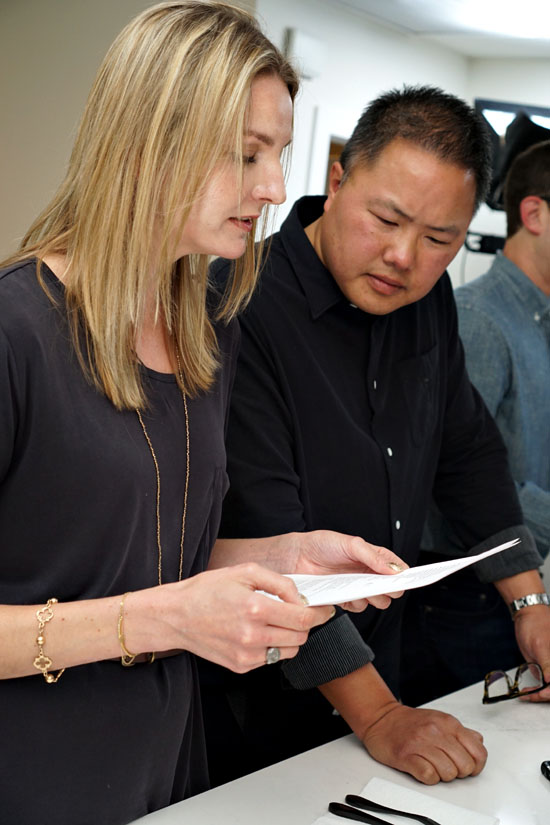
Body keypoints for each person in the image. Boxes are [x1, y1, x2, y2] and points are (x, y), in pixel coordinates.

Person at [0, 5, 407, 824]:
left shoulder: (203, 328)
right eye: (246, 154)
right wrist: (166, 618)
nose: (275, 187)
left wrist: (290, 556)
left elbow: (136, 547)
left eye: (280, 154)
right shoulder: (18, 332)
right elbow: (147, 599)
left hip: (166, 775)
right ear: (146, 142)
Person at [208, 85, 550, 788]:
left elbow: (469, 454)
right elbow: (274, 557)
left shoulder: (428, 306)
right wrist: (381, 716)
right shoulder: (239, 303)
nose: (403, 256)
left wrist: (530, 602)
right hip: (259, 709)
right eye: (386, 219)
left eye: (438, 240)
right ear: (338, 181)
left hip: (380, 675)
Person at [400, 139, 550, 707]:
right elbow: (451, 474)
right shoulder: (480, 319)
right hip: (461, 599)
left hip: (511, 587)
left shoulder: (539, 320)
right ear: (533, 213)